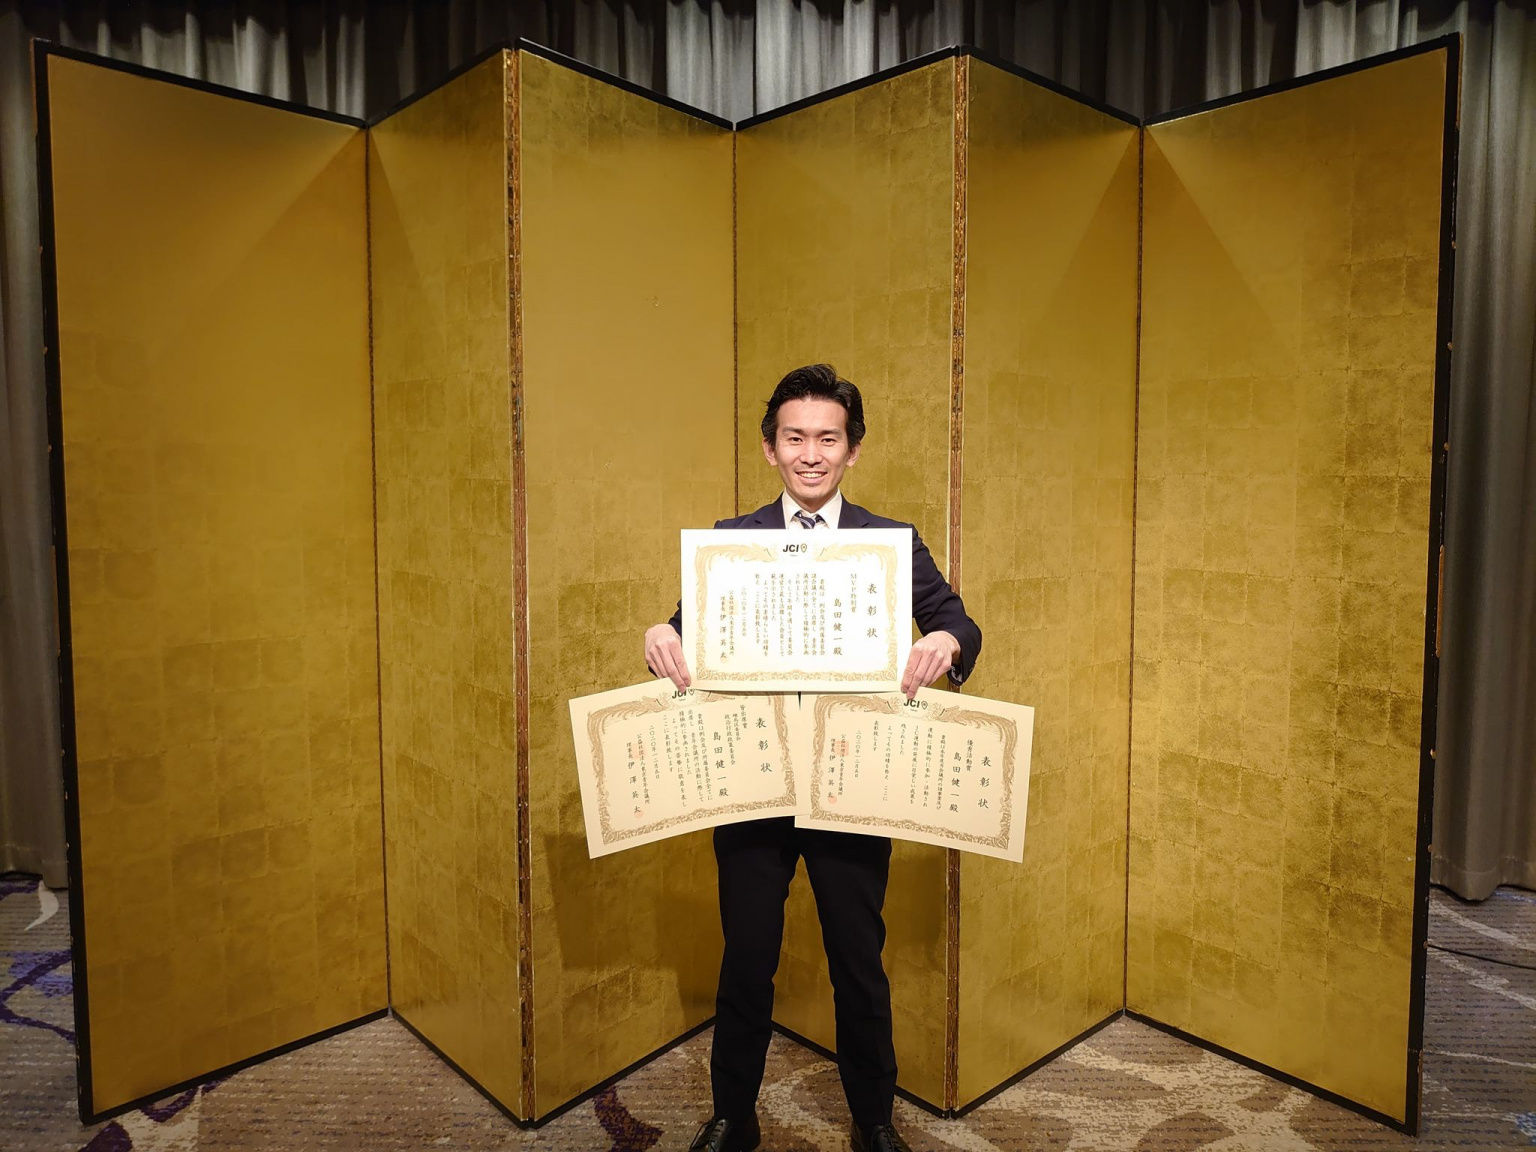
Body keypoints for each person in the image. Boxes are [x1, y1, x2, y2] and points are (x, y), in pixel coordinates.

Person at [643, 364, 982, 1152]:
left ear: (852, 450)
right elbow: (687, 632)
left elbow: (959, 621)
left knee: (858, 961)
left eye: (828, 439)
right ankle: (733, 1117)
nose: (810, 454)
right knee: (746, 959)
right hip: (753, 781)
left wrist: (945, 639)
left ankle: (874, 1120)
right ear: (770, 448)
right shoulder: (731, 541)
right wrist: (663, 633)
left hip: (851, 780)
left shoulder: (889, 543)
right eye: (794, 438)